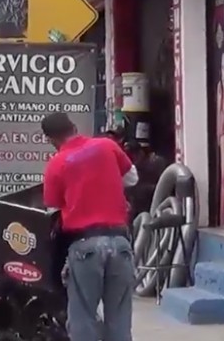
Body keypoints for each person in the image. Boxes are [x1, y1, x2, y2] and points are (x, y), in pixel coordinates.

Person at [41, 112, 138, 341]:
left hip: (85, 247)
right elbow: (132, 178)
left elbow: (53, 206)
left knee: (83, 319)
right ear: (74, 127)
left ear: (50, 139)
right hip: (120, 244)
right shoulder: (107, 145)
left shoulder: (56, 163)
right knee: (120, 320)